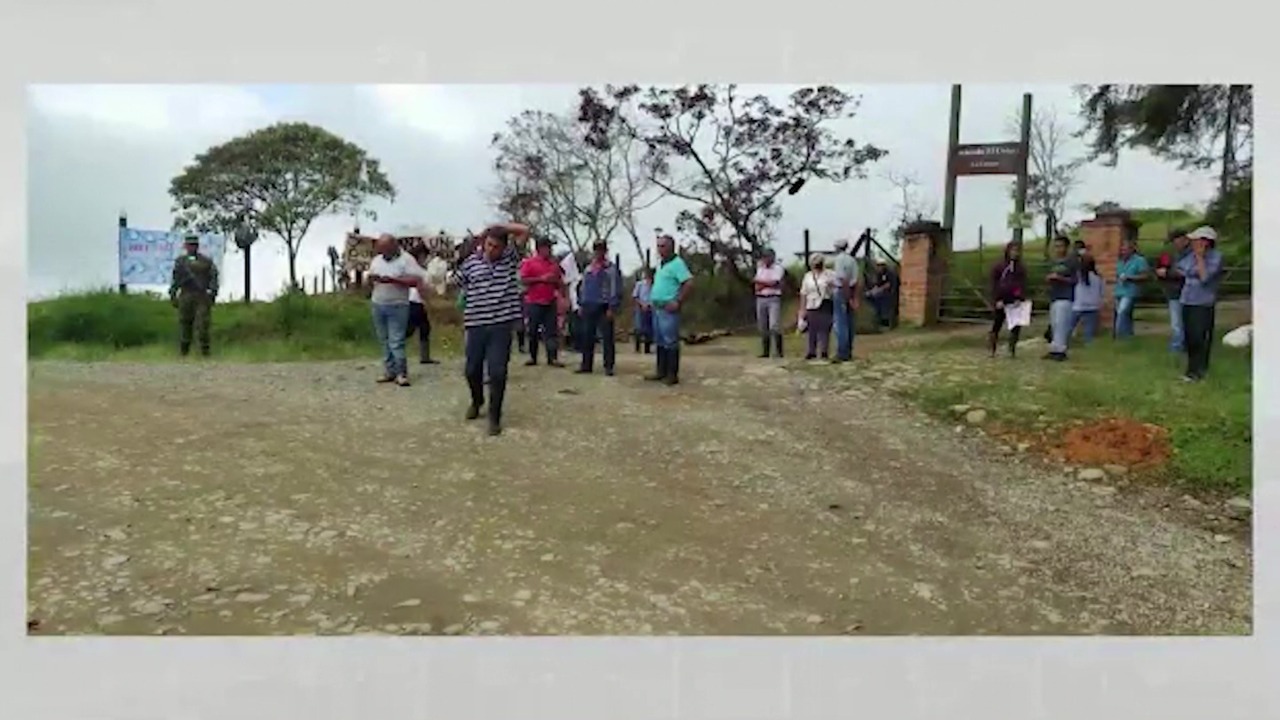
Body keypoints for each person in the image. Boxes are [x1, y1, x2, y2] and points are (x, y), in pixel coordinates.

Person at [454, 222, 531, 434]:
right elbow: (456, 283)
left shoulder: (510, 259)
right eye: (489, 245)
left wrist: (497, 226)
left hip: (501, 325)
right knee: (471, 370)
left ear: (504, 247)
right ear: (483, 244)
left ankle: (494, 416)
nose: (492, 250)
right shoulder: (471, 263)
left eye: (496, 246)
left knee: (497, 372)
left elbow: (525, 230)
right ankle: (477, 400)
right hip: (476, 324)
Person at [367, 233, 424, 386]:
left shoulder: (406, 260)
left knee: (396, 340)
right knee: (383, 339)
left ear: (394, 246)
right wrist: (372, 280)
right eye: (380, 249)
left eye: (385, 248)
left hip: (398, 304)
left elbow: (416, 280)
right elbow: (370, 277)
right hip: (378, 302)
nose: (382, 252)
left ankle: (401, 373)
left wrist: (393, 280)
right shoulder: (377, 261)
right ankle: (389, 371)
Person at [1174, 226, 1224, 382]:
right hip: (1187, 299)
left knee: (1199, 337)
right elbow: (1181, 269)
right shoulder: (1190, 256)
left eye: (1196, 240)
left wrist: (1201, 259)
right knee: (1189, 337)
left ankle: (1200, 370)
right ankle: (1191, 369)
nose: (1193, 243)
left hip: (1203, 302)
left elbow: (1204, 278)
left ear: (1206, 242)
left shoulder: (1216, 257)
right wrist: (1194, 264)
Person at [645, 235, 693, 385]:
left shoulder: (677, 263)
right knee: (660, 341)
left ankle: (672, 374)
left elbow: (689, 282)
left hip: (668, 309)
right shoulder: (661, 264)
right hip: (657, 308)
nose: (660, 249)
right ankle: (661, 371)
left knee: (670, 341)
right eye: (658, 246)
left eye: (663, 246)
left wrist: (678, 301)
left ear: (671, 247)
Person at [577, 241, 624, 376]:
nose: (599, 253)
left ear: (605, 251)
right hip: (589, 305)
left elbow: (615, 289)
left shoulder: (611, 269)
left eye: (601, 250)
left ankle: (608, 365)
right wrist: (581, 303)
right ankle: (586, 364)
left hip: (604, 306)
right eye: (596, 250)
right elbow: (583, 287)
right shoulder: (589, 268)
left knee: (607, 337)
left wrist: (612, 307)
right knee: (587, 336)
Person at [169, 233, 219, 357]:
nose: (192, 247)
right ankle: (183, 354)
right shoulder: (181, 262)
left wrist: (213, 293)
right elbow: (176, 279)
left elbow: (213, 277)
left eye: (194, 245)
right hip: (186, 295)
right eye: (189, 245)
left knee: (202, 325)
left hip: (201, 296)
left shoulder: (206, 261)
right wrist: (173, 294)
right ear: (185, 246)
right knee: (185, 325)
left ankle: (205, 353)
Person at [517, 237, 565, 367]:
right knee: (533, 331)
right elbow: (523, 280)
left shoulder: (554, 264)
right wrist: (541, 279)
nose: (549, 250)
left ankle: (552, 357)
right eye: (547, 248)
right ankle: (533, 357)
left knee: (551, 331)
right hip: (534, 301)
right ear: (540, 249)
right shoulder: (530, 263)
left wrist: (556, 285)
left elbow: (560, 282)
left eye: (550, 248)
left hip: (550, 301)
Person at [987, 241, 1027, 358]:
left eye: (1017, 251)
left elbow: (1021, 284)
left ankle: (1012, 349)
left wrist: (1019, 296)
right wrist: (996, 299)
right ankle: (992, 348)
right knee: (997, 323)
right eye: (1012, 250)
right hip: (1001, 299)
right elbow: (994, 283)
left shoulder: (1020, 268)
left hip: (1014, 299)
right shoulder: (999, 266)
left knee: (1015, 325)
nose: (1015, 253)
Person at [1043, 235, 1079, 362]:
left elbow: (1075, 280)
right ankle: (1054, 349)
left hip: (1066, 296)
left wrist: (1060, 278)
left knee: (1061, 323)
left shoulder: (1071, 262)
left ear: (1066, 247)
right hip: (1054, 295)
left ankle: (1061, 350)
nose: (1058, 249)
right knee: (1054, 323)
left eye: (1061, 246)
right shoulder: (1053, 262)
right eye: (1056, 246)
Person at [1155, 228, 1191, 352]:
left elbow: (1184, 272)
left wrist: (1167, 273)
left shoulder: (1190, 254)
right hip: (1174, 291)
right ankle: (1179, 345)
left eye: (1176, 240)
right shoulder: (1171, 254)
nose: (1175, 244)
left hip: (1187, 290)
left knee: (1182, 321)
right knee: (1177, 321)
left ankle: (1179, 346)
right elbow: (1161, 267)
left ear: (1184, 239)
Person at [404, 246, 439, 366]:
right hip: (414, 302)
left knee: (425, 328)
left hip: (417, 302)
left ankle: (425, 356)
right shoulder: (416, 271)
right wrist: (428, 301)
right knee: (409, 330)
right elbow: (421, 289)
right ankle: (395, 350)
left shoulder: (417, 270)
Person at [799, 254, 836, 361]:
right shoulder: (808, 276)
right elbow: (803, 293)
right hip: (811, 303)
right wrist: (802, 309)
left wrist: (831, 287)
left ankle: (824, 351)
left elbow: (836, 287)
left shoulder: (830, 274)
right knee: (812, 329)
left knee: (824, 327)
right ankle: (811, 351)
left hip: (825, 302)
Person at [1113, 236, 1150, 339]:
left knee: (1122, 312)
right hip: (1119, 291)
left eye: (1125, 249)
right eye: (1122, 249)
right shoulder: (1120, 262)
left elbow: (1146, 276)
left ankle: (1118, 335)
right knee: (1126, 314)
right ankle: (1128, 335)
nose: (1123, 251)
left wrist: (1130, 277)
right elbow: (1117, 275)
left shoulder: (1139, 260)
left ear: (1132, 249)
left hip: (1130, 291)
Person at [752, 248, 786, 358]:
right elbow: (756, 285)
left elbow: (775, 282)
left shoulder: (778, 268)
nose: (765, 259)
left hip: (773, 298)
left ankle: (779, 351)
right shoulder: (760, 268)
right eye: (764, 257)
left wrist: (762, 284)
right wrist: (765, 284)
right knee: (763, 325)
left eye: (767, 257)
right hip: (761, 298)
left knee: (774, 325)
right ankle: (765, 351)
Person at [830, 238, 859, 363]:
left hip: (842, 291)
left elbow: (843, 279)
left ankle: (842, 352)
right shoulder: (852, 260)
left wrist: (847, 297)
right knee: (849, 322)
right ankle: (848, 350)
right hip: (851, 290)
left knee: (841, 323)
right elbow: (856, 280)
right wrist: (854, 297)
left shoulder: (839, 260)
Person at [1070, 256, 1105, 344]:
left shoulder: (1078, 276)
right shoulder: (1099, 277)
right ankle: (1089, 347)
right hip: (1093, 306)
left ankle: (1065, 343)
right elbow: (1102, 292)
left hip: (1078, 305)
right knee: (1089, 333)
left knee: (1068, 327)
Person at [865, 259, 898, 328]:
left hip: (890, 292)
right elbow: (878, 284)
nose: (878, 267)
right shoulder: (879, 274)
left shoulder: (890, 273)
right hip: (882, 292)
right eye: (878, 266)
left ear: (884, 266)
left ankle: (884, 319)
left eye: (880, 266)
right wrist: (872, 291)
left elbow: (889, 284)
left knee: (882, 299)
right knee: (870, 296)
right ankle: (876, 315)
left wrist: (879, 290)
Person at [632, 268, 654, 354]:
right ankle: (637, 348)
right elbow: (635, 296)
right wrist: (642, 304)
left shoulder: (655, 285)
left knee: (649, 328)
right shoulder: (640, 284)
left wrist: (650, 305)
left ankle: (647, 349)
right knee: (639, 327)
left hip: (651, 308)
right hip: (640, 307)